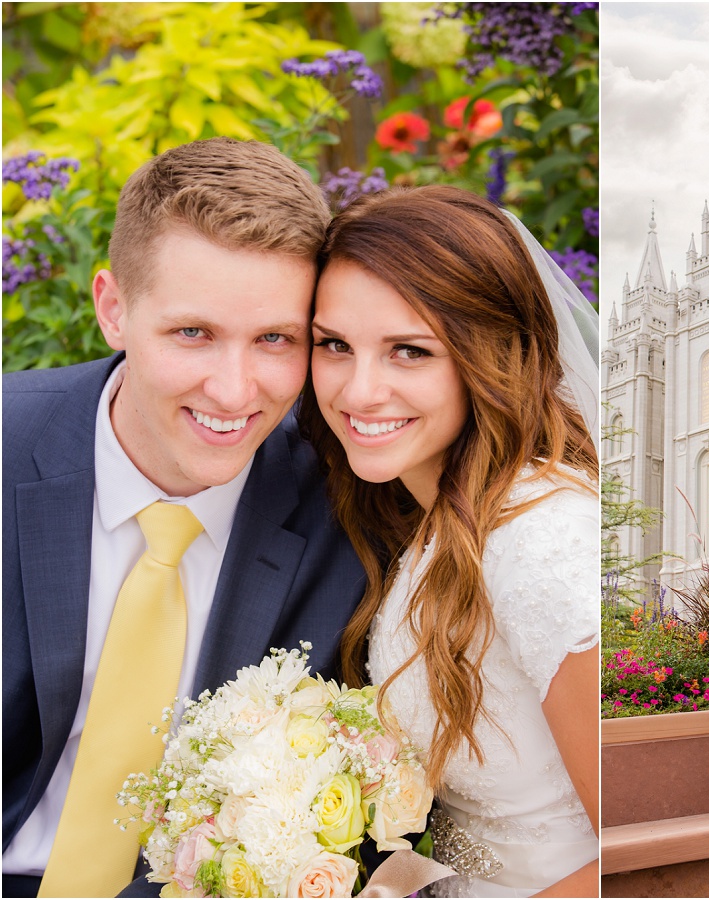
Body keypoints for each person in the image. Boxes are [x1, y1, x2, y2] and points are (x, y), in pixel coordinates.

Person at [2, 138, 366, 898]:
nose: (234, 391)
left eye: (275, 339)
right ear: (113, 309)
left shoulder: (352, 512)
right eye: (192, 333)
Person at [298, 184, 600, 897]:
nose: (358, 391)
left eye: (408, 351)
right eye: (334, 345)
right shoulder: (436, 516)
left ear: (488, 355)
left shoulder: (541, 539)